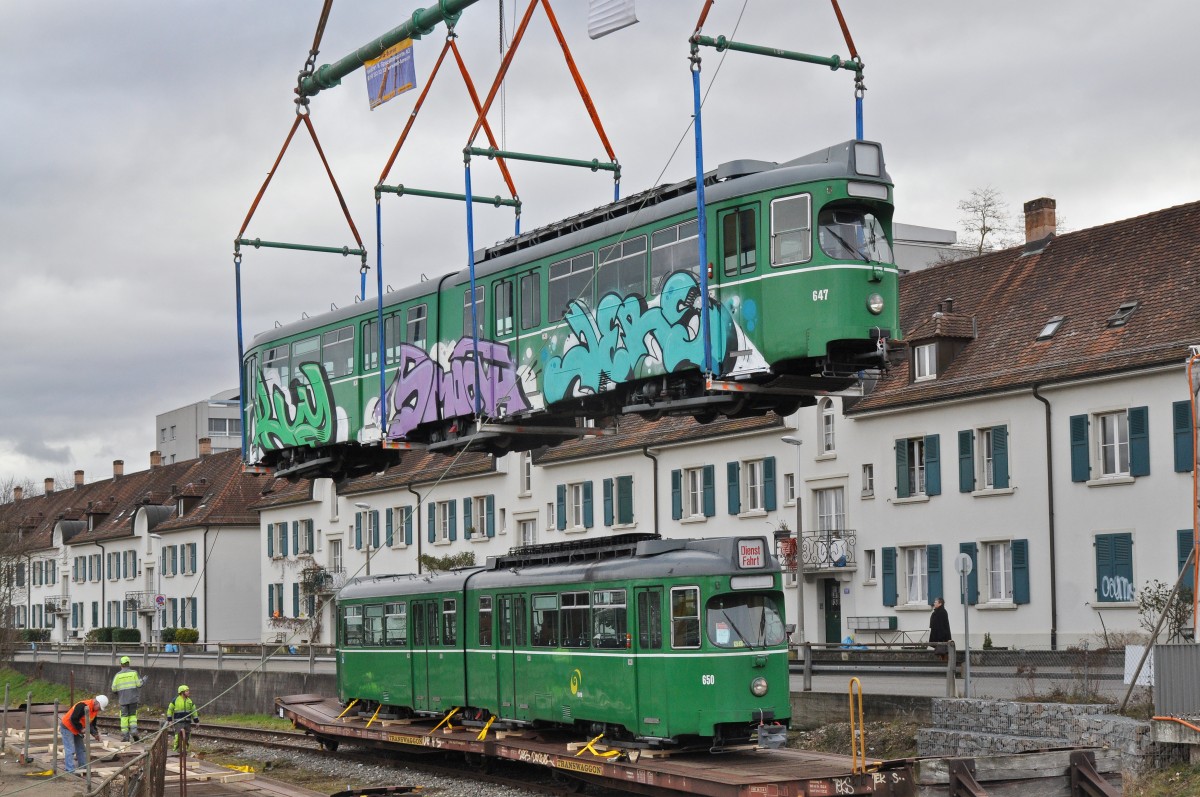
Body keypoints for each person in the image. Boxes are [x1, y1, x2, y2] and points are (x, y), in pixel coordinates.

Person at [60, 694, 107, 773]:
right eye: (99, 708)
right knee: (70, 749)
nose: (99, 710)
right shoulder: (82, 706)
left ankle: (83, 767)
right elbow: (73, 719)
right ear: (96, 702)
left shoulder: (94, 711)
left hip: (76, 729)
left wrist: (95, 734)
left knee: (81, 749)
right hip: (67, 727)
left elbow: (91, 724)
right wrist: (81, 729)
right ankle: (69, 770)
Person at [111, 655, 144, 742]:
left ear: (121, 665)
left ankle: (126, 736)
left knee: (124, 717)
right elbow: (139, 685)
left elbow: (113, 688)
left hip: (123, 700)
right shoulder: (134, 673)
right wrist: (143, 680)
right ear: (129, 664)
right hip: (133, 699)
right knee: (133, 716)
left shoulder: (117, 676)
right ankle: (133, 731)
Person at [166, 685, 200, 753]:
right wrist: (169, 721)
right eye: (187, 691)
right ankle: (176, 751)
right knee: (178, 737)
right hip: (178, 722)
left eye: (188, 691)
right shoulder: (175, 700)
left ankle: (185, 751)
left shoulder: (190, 701)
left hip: (187, 723)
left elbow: (194, 712)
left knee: (187, 737)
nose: (188, 692)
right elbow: (170, 710)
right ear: (182, 692)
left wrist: (197, 721)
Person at [929, 597, 952, 661]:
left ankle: (945, 664)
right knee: (940, 651)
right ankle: (942, 662)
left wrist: (941, 637)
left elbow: (942, 626)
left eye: (935, 602)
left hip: (941, 636)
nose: (934, 603)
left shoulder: (942, 612)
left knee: (943, 651)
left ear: (940, 603)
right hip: (938, 635)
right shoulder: (937, 611)